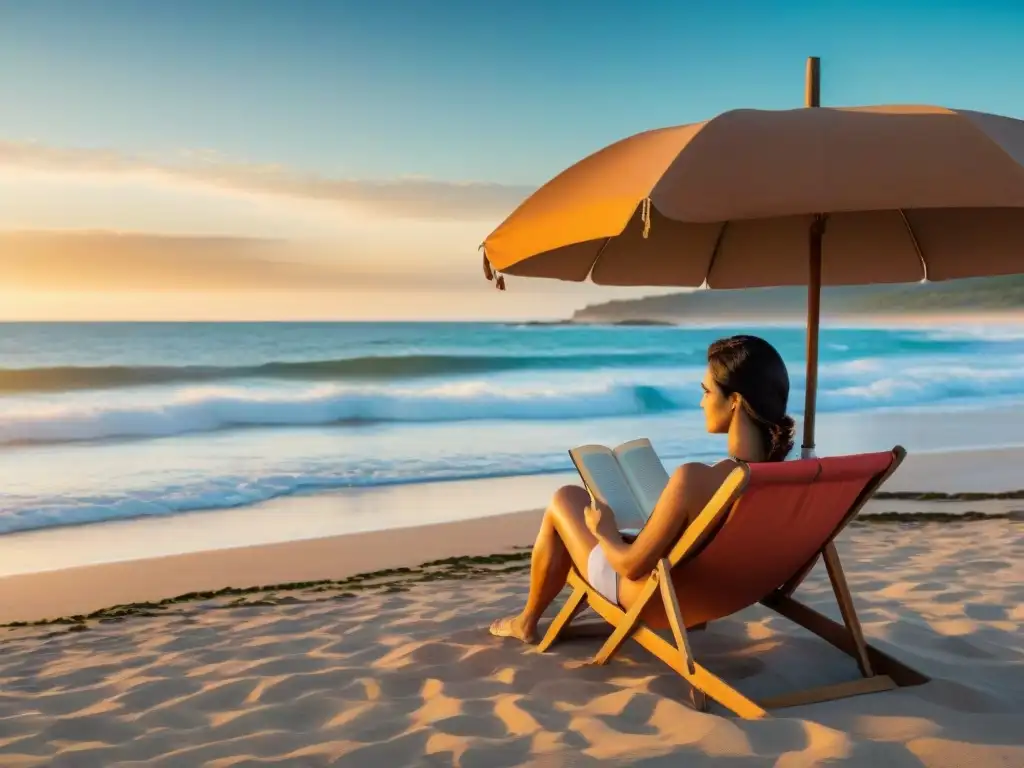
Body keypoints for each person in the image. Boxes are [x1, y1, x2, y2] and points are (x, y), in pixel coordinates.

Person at [489, 334, 796, 643]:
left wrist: (604, 530)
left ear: (735, 401)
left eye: (706, 391)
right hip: (720, 593)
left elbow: (631, 566)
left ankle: (526, 621)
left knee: (565, 499)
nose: (701, 401)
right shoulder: (788, 480)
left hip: (659, 598)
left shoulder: (696, 480)